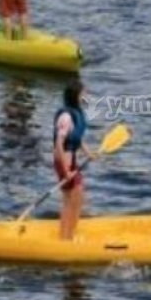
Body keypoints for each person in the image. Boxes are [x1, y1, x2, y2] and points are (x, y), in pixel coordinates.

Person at [53, 81, 96, 241]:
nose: (85, 97)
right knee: (71, 200)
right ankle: (66, 238)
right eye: (82, 94)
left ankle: (68, 234)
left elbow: (77, 138)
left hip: (71, 162)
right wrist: (65, 171)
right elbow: (59, 143)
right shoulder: (66, 117)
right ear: (75, 96)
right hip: (64, 162)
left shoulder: (76, 114)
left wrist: (88, 153)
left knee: (76, 199)